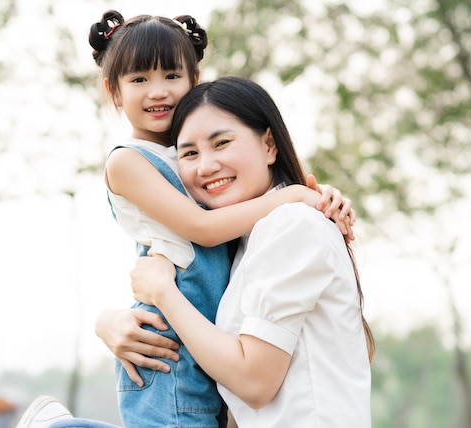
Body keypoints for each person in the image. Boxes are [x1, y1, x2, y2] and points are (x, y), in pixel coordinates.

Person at [85, 10, 354, 428]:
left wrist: (315, 195)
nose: (157, 91)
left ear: (194, 79)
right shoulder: (128, 161)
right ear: (113, 91)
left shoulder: (201, 174)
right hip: (168, 351)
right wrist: (296, 196)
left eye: (171, 75)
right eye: (138, 79)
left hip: (204, 348)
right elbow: (203, 231)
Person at [129, 76, 375, 426]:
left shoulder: (293, 224)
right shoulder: (248, 241)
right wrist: (113, 325)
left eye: (222, 143)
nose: (206, 166)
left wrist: (164, 294)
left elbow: (254, 382)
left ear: (270, 145)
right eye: (189, 153)